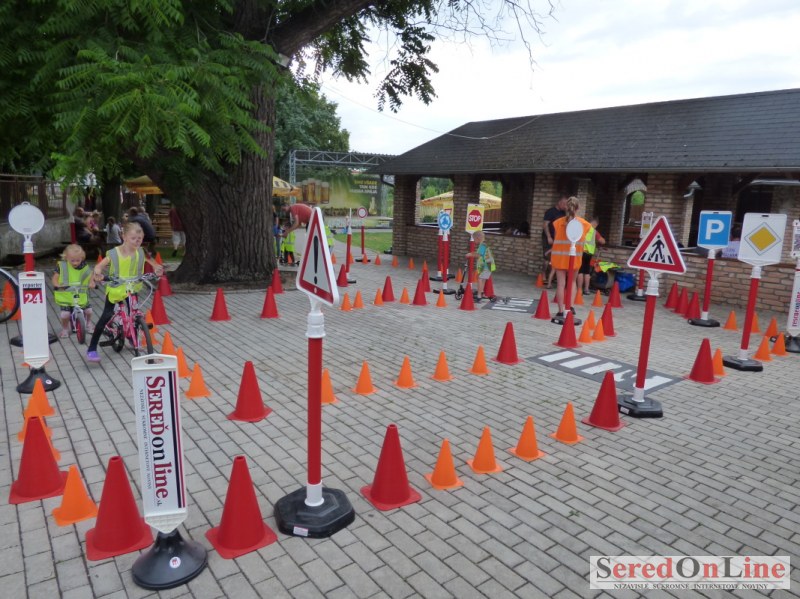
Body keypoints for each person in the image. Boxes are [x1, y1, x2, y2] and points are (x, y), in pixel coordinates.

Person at [85, 222, 163, 363]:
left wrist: (157, 268)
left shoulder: (141, 251)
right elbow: (99, 266)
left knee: (134, 314)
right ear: (124, 236)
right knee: (106, 316)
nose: (137, 241)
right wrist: (97, 273)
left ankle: (131, 335)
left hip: (132, 287)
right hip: (116, 289)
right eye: (133, 238)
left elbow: (154, 263)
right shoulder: (114, 253)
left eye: (140, 239)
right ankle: (92, 348)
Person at [550, 196, 591, 318]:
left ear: (566, 207)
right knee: (572, 282)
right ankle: (570, 307)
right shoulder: (584, 224)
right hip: (575, 258)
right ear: (578, 208)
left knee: (560, 284)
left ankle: (560, 310)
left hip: (559, 258)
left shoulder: (558, 223)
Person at [52, 244, 95, 338]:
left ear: (82, 258)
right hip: (66, 295)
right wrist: (57, 284)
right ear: (66, 257)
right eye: (72, 260)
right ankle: (65, 328)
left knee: (89, 310)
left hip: (80, 294)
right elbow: (55, 278)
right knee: (65, 314)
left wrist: (91, 282)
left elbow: (90, 274)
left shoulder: (84, 265)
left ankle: (88, 323)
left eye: (78, 260)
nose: (75, 263)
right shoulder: (62, 266)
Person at [542, 195, 567, 288]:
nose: (565, 206)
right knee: (547, 258)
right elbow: (545, 225)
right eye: (564, 204)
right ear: (559, 203)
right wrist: (549, 237)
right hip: (549, 238)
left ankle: (552, 278)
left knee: (555, 259)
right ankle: (543, 275)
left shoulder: (564, 213)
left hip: (558, 239)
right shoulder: (550, 212)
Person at [578, 216, 606, 295]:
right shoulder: (594, 231)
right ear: (595, 223)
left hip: (581, 252)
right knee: (587, 271)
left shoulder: (582, 229)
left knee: (580, 271)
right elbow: (602, 241)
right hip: (589, 254)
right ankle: (586, 289)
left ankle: (579, 289)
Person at [465, 230, 496, 300]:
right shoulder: (484, 244)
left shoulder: (483, 245)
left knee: (480, 279)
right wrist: (472, 253)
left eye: (474, 239)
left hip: (486, 265)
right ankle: (481, 292)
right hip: (489, 265)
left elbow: (478, 255)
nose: (474, 241)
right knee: (483, 279)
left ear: (478, 238)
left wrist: (470, 254)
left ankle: (479, 296)